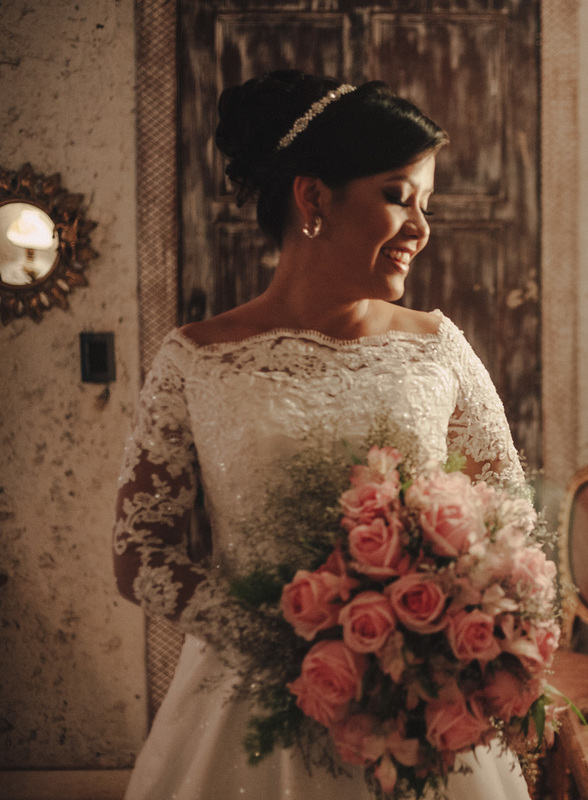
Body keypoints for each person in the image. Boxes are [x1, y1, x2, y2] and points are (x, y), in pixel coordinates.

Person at [112, 70, 532, 800]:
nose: (421, 228)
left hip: (417, 701)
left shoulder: (438, 347)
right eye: (399, 195)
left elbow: (511, 516)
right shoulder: (196, 360)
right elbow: (140, 551)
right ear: (313, 198)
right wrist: (288, 641)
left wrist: (445, 631)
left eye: (426, 204)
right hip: (251, 710)